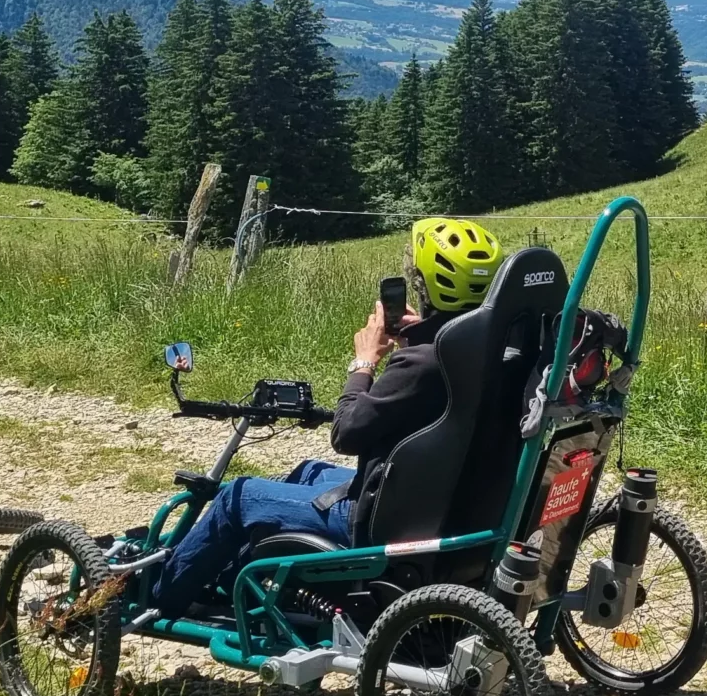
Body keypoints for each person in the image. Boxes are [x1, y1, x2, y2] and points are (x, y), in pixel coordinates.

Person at [146, 218, 506, 621]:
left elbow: (347, 432)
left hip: (384, 522)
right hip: (446, 503)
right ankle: (233, 580)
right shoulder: (492, 353)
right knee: (308, 470)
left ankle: (162, 594)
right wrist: (419, 334)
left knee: (237, 496)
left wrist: (365, 362)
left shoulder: (421, 364)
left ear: (423, 286)